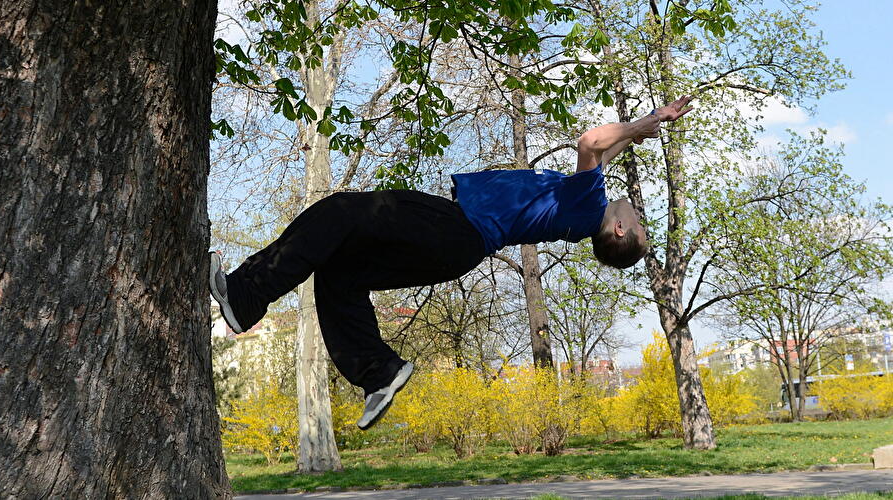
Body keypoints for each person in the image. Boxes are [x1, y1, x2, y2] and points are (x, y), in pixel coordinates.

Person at [210, 96, 694, 430]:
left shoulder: (590, 205)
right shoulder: (583, 205)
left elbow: (591, 141)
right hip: (456, 249)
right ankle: (378, 372)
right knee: (340, 272)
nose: (637, 209)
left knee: (338, 213)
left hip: (456, 226)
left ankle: (247, 293)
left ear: (620, 230)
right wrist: (654, 120)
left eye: (640, 222)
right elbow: (607, 149)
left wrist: (636, 126)